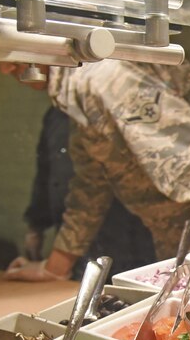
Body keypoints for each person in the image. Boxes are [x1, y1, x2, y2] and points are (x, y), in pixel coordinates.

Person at [1, 58, 190, 281]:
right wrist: (55, 268)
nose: (5, 68)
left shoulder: (106, 79)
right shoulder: (80, 87)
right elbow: (91, 184)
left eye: (5, 51)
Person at [20, 105, 157, 277]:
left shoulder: (112, 107)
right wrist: (36, 225)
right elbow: (47, 172)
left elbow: (94, 184)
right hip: (73, 232)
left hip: (123, 227)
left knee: (126, 282)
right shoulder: (57, 114)